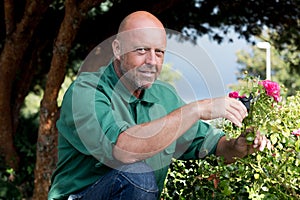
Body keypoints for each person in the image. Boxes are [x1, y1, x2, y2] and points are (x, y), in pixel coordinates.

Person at [48, 11, 270, 200]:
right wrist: (196, 109)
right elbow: (123, 150)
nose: (152, 61)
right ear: (117, 49)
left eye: (159, 52)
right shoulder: (85, 92)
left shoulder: (165, 96)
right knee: (136, 173)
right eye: (141, 50)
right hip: (78, 196)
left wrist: (236, 146)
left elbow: (213, 146)